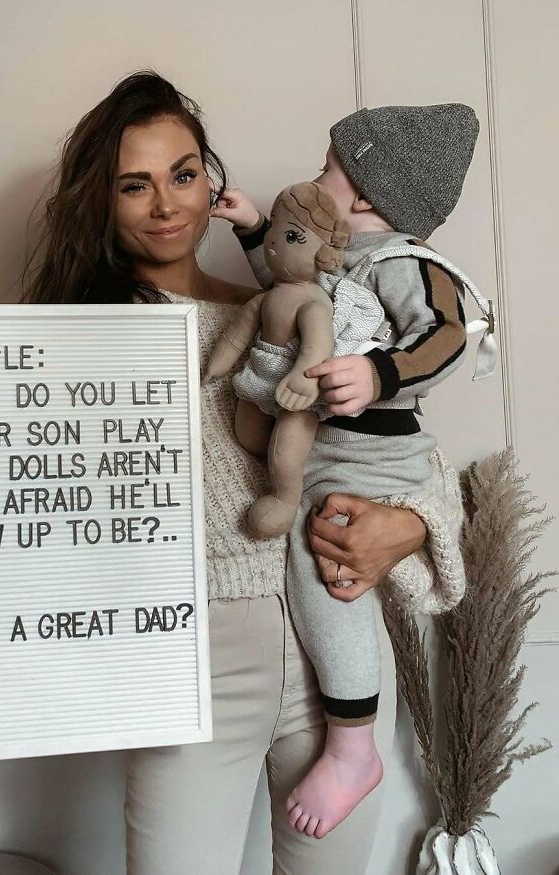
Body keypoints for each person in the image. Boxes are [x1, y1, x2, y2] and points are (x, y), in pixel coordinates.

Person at [0, 71, 465, 874]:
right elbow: (18, 510)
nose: (167, 204)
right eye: (134, 184)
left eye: (184, 175)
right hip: (187, 665)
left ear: (209, 178)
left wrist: (412, 524)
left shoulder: (298, 304)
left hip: (342, 659)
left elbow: (407, 451)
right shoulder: (67, 349)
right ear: (103, 203)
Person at [209, 103, 479, 837]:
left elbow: (450, 335)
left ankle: (354, 747)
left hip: (368, 458)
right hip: (324, 448)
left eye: (328, 167)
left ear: (362, 193)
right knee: (310, 544)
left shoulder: (408, 264)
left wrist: (378, 374)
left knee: (326, 569)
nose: (314, 176)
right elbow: (293, 286)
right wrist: (253, 229)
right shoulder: (348, 258)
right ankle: (349, 740)